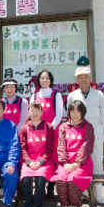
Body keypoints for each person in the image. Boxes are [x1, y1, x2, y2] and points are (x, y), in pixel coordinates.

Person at [66, 56, 104, 203]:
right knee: (80, 160)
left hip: (95, 131)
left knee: (97, 160)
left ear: (90, 78)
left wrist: (99, 130)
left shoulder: (99, 95)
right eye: (80, 77)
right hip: (78, 133)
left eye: (86, 76)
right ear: (76, 80)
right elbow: (69, 115)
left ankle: (98, 194)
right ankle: (82, 190)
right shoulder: (72, 96)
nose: (83, 79)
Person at [52, 100, 94, 207]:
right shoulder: (63, 127)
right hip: (65, 162)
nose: (75, 114)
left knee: (73, 179)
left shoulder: (88, 127)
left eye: (77, 112)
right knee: (60, 178)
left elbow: (87, 145)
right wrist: (65, 163)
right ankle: (65, 204)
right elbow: (61, 145)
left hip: (82, 163)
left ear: (82, 113)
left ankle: (75, 205)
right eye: (72, 111)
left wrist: (77, 163)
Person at [30, 69, 63, 197]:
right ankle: (40, 186)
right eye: (42, 78)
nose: (44, 80)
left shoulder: (56, 95)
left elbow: (59, 114)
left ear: (51, 80)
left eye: (46, 78)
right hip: (38, 133)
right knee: (40, 157)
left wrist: (50, 127)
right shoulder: (34, 96)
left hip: (53, 132)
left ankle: (51, 187)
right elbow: (32, 114)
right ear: (38, 80)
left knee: (53, 158)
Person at [19, 102, 55, 207]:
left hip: (44, 161)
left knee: (40, 180)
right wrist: (29, 162)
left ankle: (38, 206)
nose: (34, 113)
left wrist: (41, 162)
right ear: (28, 113)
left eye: (37, 111)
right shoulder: (24, 128)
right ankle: (28, 205)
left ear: (41, 113)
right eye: (32, 111)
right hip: (29, 160)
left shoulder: (48, 127)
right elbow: (23, 147)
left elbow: (50, 147)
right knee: (25, 180)